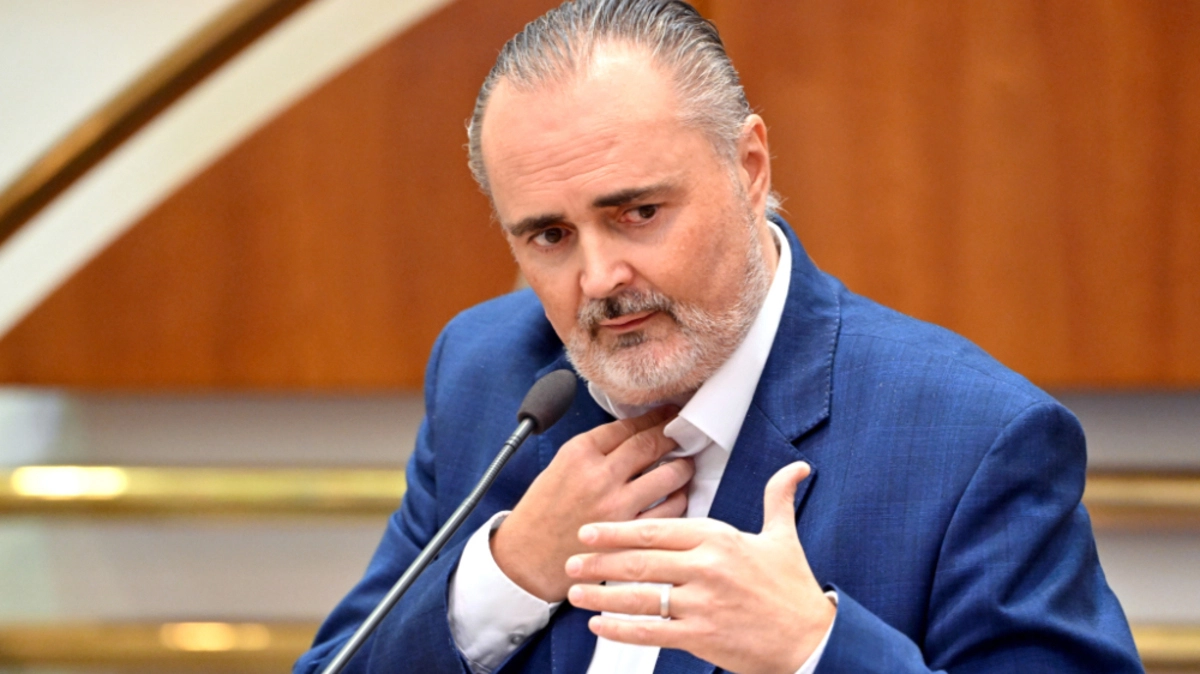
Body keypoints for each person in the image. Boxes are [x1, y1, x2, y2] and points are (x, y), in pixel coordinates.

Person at [295, 1, 1142, 672]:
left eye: (639, 213)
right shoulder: (487, 373)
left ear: (749, 168)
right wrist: (508, 573)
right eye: (549, 236)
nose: (600, 279)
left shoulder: (973, 438)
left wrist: (814, 651)